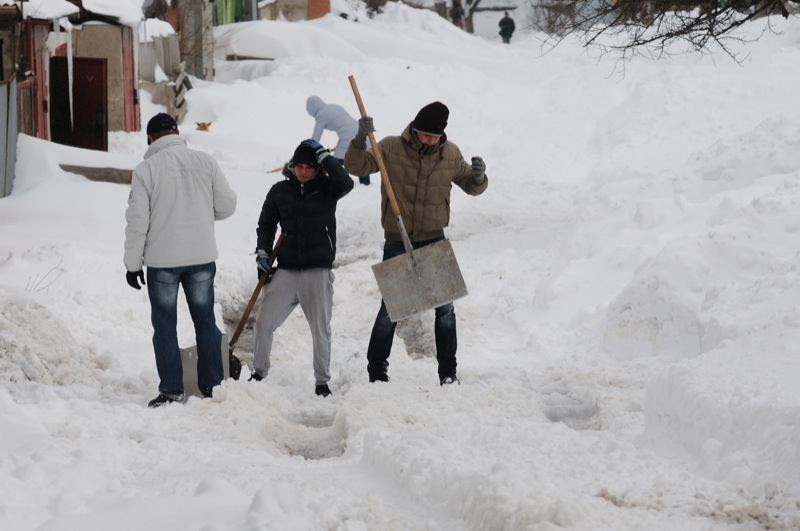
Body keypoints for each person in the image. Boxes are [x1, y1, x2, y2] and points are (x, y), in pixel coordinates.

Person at [344, 102, 489, 386]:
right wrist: (360, 140)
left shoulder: (450, 154)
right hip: (398, 238)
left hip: (434, 238)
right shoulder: (389, 147)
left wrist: (479, 177)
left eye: (435, 137)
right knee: (391, 307)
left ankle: (448, 372)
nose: (430, 141)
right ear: (415, 129)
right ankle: (376, 371)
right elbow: (355, 165)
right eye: (425, 135)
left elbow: (470, 186)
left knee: (445, 308)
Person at [124, 113, 237, 408]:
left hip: (163, 263)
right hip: (201, 258)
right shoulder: (206, 162)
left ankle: (172, 390)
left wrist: (132, 264)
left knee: (164, 325)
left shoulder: (146, 170)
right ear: (176, 132)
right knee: (204, 320)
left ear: (150, 138)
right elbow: (226, 206)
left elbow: (138, 222)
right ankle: (213, 386)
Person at [251, 139, 354, 397]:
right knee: (263, 323)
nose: (304, 172)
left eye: (309, 166)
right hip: (286, 269)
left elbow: (347, 183)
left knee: (320, 329)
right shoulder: (280, 191)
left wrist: (325, 157)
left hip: (317, 270)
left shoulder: (328, 188)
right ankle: (258, 373)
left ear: (316, 167)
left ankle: (322, 382)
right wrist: (263, 253)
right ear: (292, 166)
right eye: (299, 166)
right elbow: (265, 225)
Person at [306, 95, 371, 185]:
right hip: (359, 129)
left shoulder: (321, 115)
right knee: (360, 157)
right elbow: (342, 124)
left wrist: (308, 149)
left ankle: (342, 181)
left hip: (348, 135)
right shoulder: (332, 107)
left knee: (337, 161)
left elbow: (316, 137)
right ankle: (365, 184)